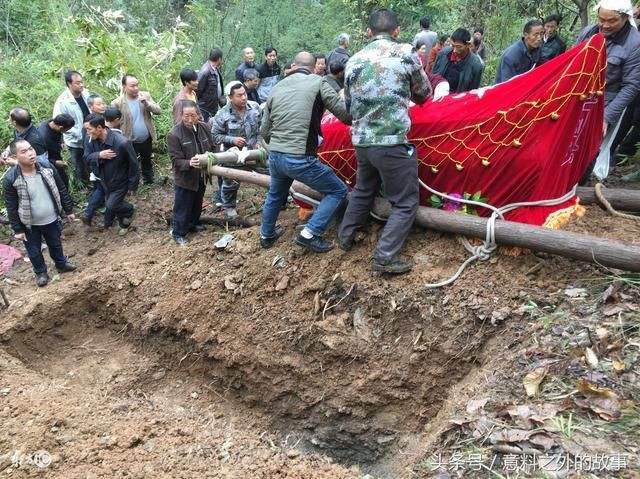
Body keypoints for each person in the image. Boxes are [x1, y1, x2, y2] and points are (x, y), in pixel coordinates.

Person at [338, 8, 431, 274]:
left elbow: (348, 105)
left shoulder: (353, 60)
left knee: (363, 189)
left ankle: (345, 237)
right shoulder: (405, 53)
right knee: (405, 201)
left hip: (362, 142)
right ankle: (385, 255)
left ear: (368, 32)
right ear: (397, 31)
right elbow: (424, 94)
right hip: (390, 141)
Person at [259, 51, 351, 253]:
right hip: (299, 156)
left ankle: (266, 235)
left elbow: (264, 131)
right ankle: (309, 233)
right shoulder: (318, 83)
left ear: (293, 65)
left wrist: (278, 146)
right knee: (337, 190)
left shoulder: (277, 86)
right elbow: (344, 114)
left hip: (275, 155)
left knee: (275, 194)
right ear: (313, 68)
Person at [577, 0, 640, 181]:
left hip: (605, 103)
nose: (604, 25)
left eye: (611, 21)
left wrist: (606, 117)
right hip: (578, 96)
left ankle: (581, 183)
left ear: (625, 18)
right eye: (601, 19)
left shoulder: (634, 43)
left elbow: (632, 86)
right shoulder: (589, 32)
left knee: (590, 146)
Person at [2, 139, 76, 287]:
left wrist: (68, 210)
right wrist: (17, 229)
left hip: (51, 218)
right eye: (24, 152)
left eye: (31, 149)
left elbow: (61, 188)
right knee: (34, 251)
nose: (30, 153)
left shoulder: (46, 167)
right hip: (29, 223)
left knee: (55, 244)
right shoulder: (11, 178)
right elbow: (11, 205)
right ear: (15, 158)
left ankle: (61, 264)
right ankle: (41, 273)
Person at [212, 81, 261, 219]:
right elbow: (215, 136)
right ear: (231, 97)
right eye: (239, 95)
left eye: (244, 94)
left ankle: (278, 201)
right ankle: (229, 207)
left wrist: (258, 142)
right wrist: (232, 140)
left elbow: (261, 129)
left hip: (254, 153)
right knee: (230, 183)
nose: (244, 97)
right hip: (233, 155)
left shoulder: (255, 108)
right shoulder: (222, 114)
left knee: (271, 174)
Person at [167, 101, 214, 246]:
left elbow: (213, 146)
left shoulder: (204, 127)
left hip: (202, 174)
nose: (189, 120)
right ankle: (178, 233)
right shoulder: (174, 134)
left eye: (193, 115)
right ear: (181, 115)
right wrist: (188, 163)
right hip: (185, 178)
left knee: (197, 202)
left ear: (198, 115)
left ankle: (193, 224)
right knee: (183, 206)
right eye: (186, 116)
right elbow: (175, 160)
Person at [83, 114, 139, 232]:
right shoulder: (90, 140)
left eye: (89, 129)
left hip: (120, 181)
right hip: (103, 180)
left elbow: (134, 164)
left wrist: (132, 186)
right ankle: (123, 224)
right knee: (112, 204)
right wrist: (99, 155)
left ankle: (130, 209)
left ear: (99, 128)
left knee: (111, 205)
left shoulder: (122, 142)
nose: (87, 132)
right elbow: (86, 158)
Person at [111, 74, 162, 185]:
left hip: (146, 137)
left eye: (137, 85)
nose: (136, 88)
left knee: (146, 160)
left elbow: (158, 111)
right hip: (129, 139)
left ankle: (148, 181)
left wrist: (147, 104)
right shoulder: (117, 103)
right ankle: (132, 184)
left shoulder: (145, 96)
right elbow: (113, 123)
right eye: (132, 86)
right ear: (124, 87)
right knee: (131, 163)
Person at [53, 70, 91, 187]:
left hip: (90, 134)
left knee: (90, 158)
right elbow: (58, 122)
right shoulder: (62, 101)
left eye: (82, 82)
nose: (81, 85)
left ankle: (94, 181)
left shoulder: (86, 94)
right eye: (77, 83)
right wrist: (77, 134)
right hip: (76, 139)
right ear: (69, 84)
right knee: (79, 163)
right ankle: (83, 184)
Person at [433, 28, 484, 94]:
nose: (454, 50)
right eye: (453, 46)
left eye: (458, 47)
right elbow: (434, 75)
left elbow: (473, 91)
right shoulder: (443, 54)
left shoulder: (476, 65)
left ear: (468, 45)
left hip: (458, 101)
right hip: (439, 97)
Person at [37, 114, 76, 189]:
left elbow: (59, 133)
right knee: (60, 183)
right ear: (61, 127)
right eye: (67, 130)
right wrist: (55, 162)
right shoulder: (45, 138)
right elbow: (40, 158)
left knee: (64, 179)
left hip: (55, 155)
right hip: (49, 164)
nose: (67, 131)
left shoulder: (51, 122)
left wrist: (61, 142)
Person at [197, 48, 225, 122]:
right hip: (205, 109)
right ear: (219, 59)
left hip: (212, 107)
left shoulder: (215, 69)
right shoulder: (205, 71)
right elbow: (198, 90)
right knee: (205, 128)